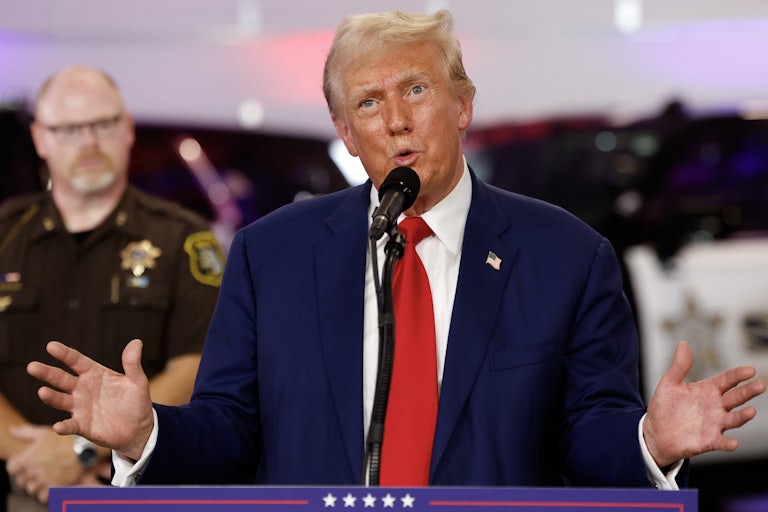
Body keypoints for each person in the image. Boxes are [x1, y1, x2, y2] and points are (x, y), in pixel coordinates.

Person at [28, 11, 764, 491]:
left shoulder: (567, 257)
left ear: (463, 104)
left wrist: (651, 442)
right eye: (369, 104)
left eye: (416, 89)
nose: (397, 121)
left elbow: (589, 433)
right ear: (347, 134)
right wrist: (147, 431)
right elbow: (230, 432)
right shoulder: (269, 256)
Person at [0, 66, 225, 511]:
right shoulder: (4, 234)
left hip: (138, 490)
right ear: (40, 138)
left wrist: (83, 449)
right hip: (19, 487)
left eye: (102, 124)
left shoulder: (182, 237)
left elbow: (198, 362)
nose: (88, 142)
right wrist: (32, 458)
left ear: (126, 130)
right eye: (68, 129)